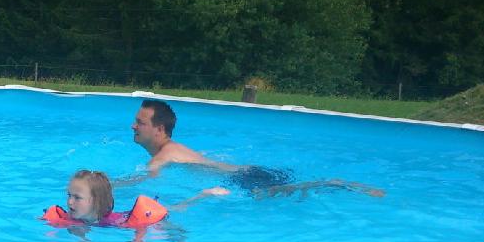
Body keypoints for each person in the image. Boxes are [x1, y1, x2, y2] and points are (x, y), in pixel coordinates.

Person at [127, 99, 385, 198]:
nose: (133, 126)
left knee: (297, 190)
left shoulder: (163, 156)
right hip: (246, 173)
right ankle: (332, 183)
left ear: (159, 129)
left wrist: (107, 187)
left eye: (140, 122)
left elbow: (146, 183)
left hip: (244, 179)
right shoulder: (174, 149)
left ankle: (336, 183)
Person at [44, 169, 230, 228]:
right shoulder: (70, 217)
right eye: (68, 195)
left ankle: (204, 194)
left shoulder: (114, 222)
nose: (69, 202)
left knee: (174, 209)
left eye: (77, 198)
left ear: (95, 201)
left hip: (137, 217)